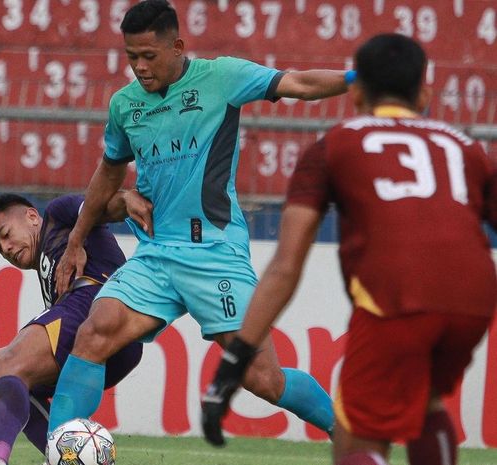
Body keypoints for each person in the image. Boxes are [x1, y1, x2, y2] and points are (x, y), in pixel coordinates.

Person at [48, 0, 352, 442]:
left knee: (263, 379)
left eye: (149, 56)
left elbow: (299, 83)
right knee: (95, 332)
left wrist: (356, 79)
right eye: (132, 56)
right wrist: (77, 238)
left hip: (214, 252)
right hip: (155, 253)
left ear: (177, 46)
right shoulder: (125, 105)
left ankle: (349, 434)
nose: (139, 67)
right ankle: (60, 448)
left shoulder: (221, 77)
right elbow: (109, 171)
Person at [202, 32, 497, 465]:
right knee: (427, 401)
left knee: (357, 440)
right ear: (424, 93)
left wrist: (237, 356)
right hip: (473, 298)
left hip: (397, 299)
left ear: (356, 91)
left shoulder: (333, 148)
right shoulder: (467, 146)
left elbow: (286, 267)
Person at [0, 191, 151, 465]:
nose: (5, 248)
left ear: (32, 216)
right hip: (113, 346)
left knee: (6, 364)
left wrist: (126, 200)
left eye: (6, 234)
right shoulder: (49, 272)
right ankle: (62, 458)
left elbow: (98, 207)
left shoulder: (58, 214)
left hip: (95, 305)